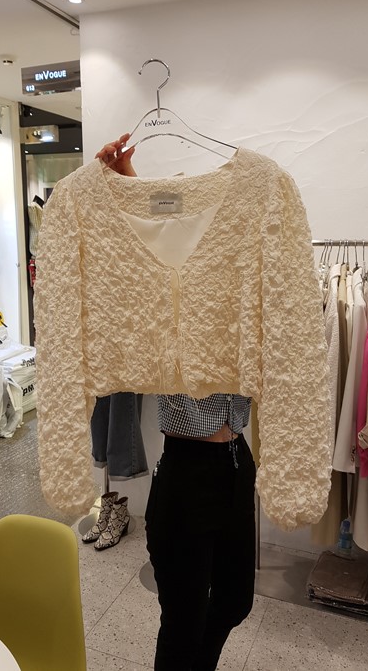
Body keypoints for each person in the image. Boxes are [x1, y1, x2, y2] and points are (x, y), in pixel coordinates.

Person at [95, 135, 257, 671]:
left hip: (237, 463)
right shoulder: (166, 287)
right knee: (183, 620)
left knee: (235, 602)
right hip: (188, 471)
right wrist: (123, 178)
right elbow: (143, 241)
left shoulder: (238, 274)